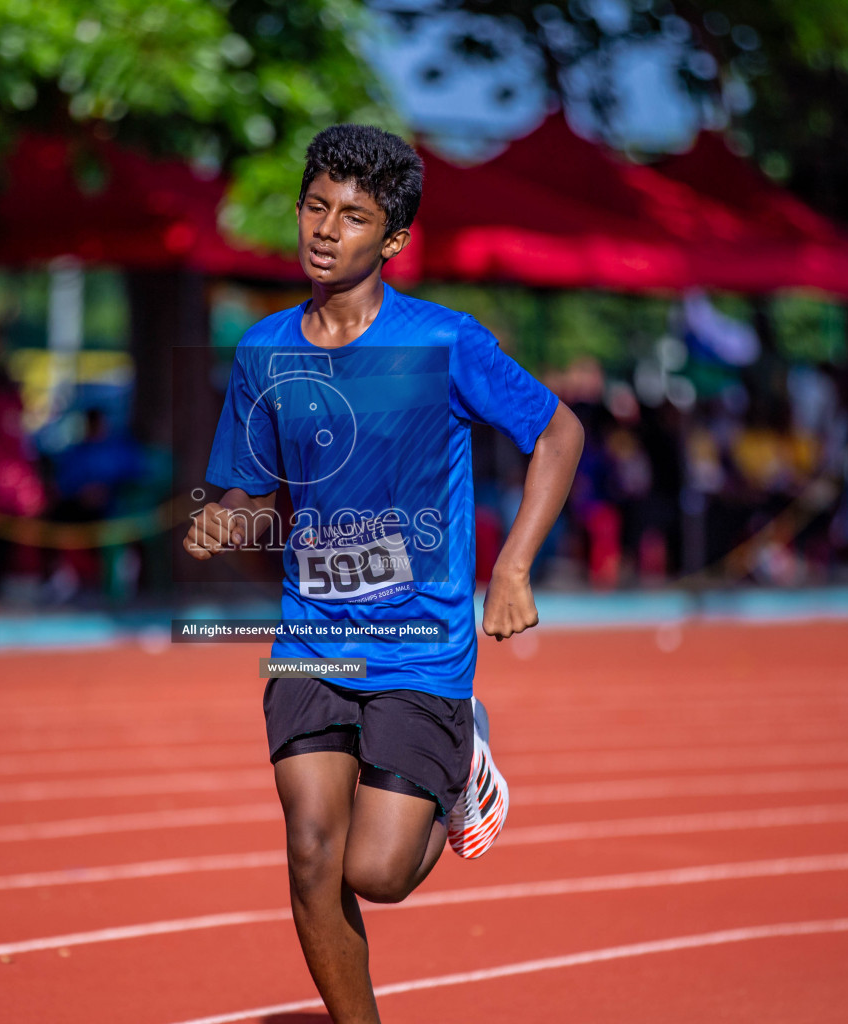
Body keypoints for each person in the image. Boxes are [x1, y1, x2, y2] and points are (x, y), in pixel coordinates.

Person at [183, 125, 583, 1023]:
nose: (326, 230)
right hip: (311, 636)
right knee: (312, 855)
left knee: (377, 872)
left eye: (354, 217)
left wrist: (512, 569)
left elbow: (559, 432)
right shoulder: (262, 352)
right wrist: (226, 517)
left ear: (392, 239)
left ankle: (463, 752)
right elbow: (253, 491)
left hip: (420, 646)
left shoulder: (444, 342)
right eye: (316, 207)